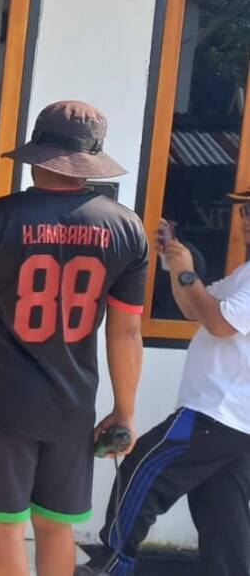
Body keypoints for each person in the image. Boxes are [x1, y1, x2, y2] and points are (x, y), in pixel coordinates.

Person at [0, 101, 147, 576]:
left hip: (1, 404)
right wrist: (124, 410)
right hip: (73, 406)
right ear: (89, 161)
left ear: (35, 154)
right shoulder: (126, 228)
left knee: (5, 528)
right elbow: (126, 330)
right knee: (55, 525)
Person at [79, 190, 250, 576]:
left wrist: (187, 271)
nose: (245, 218)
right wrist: (177, 264)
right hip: (232, 416)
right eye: (244, 209)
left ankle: (112, 562)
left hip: (218, 411)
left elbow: (219, 323)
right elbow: (195, 307)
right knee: (222, 507)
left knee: (143, 469)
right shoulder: (246, 273)